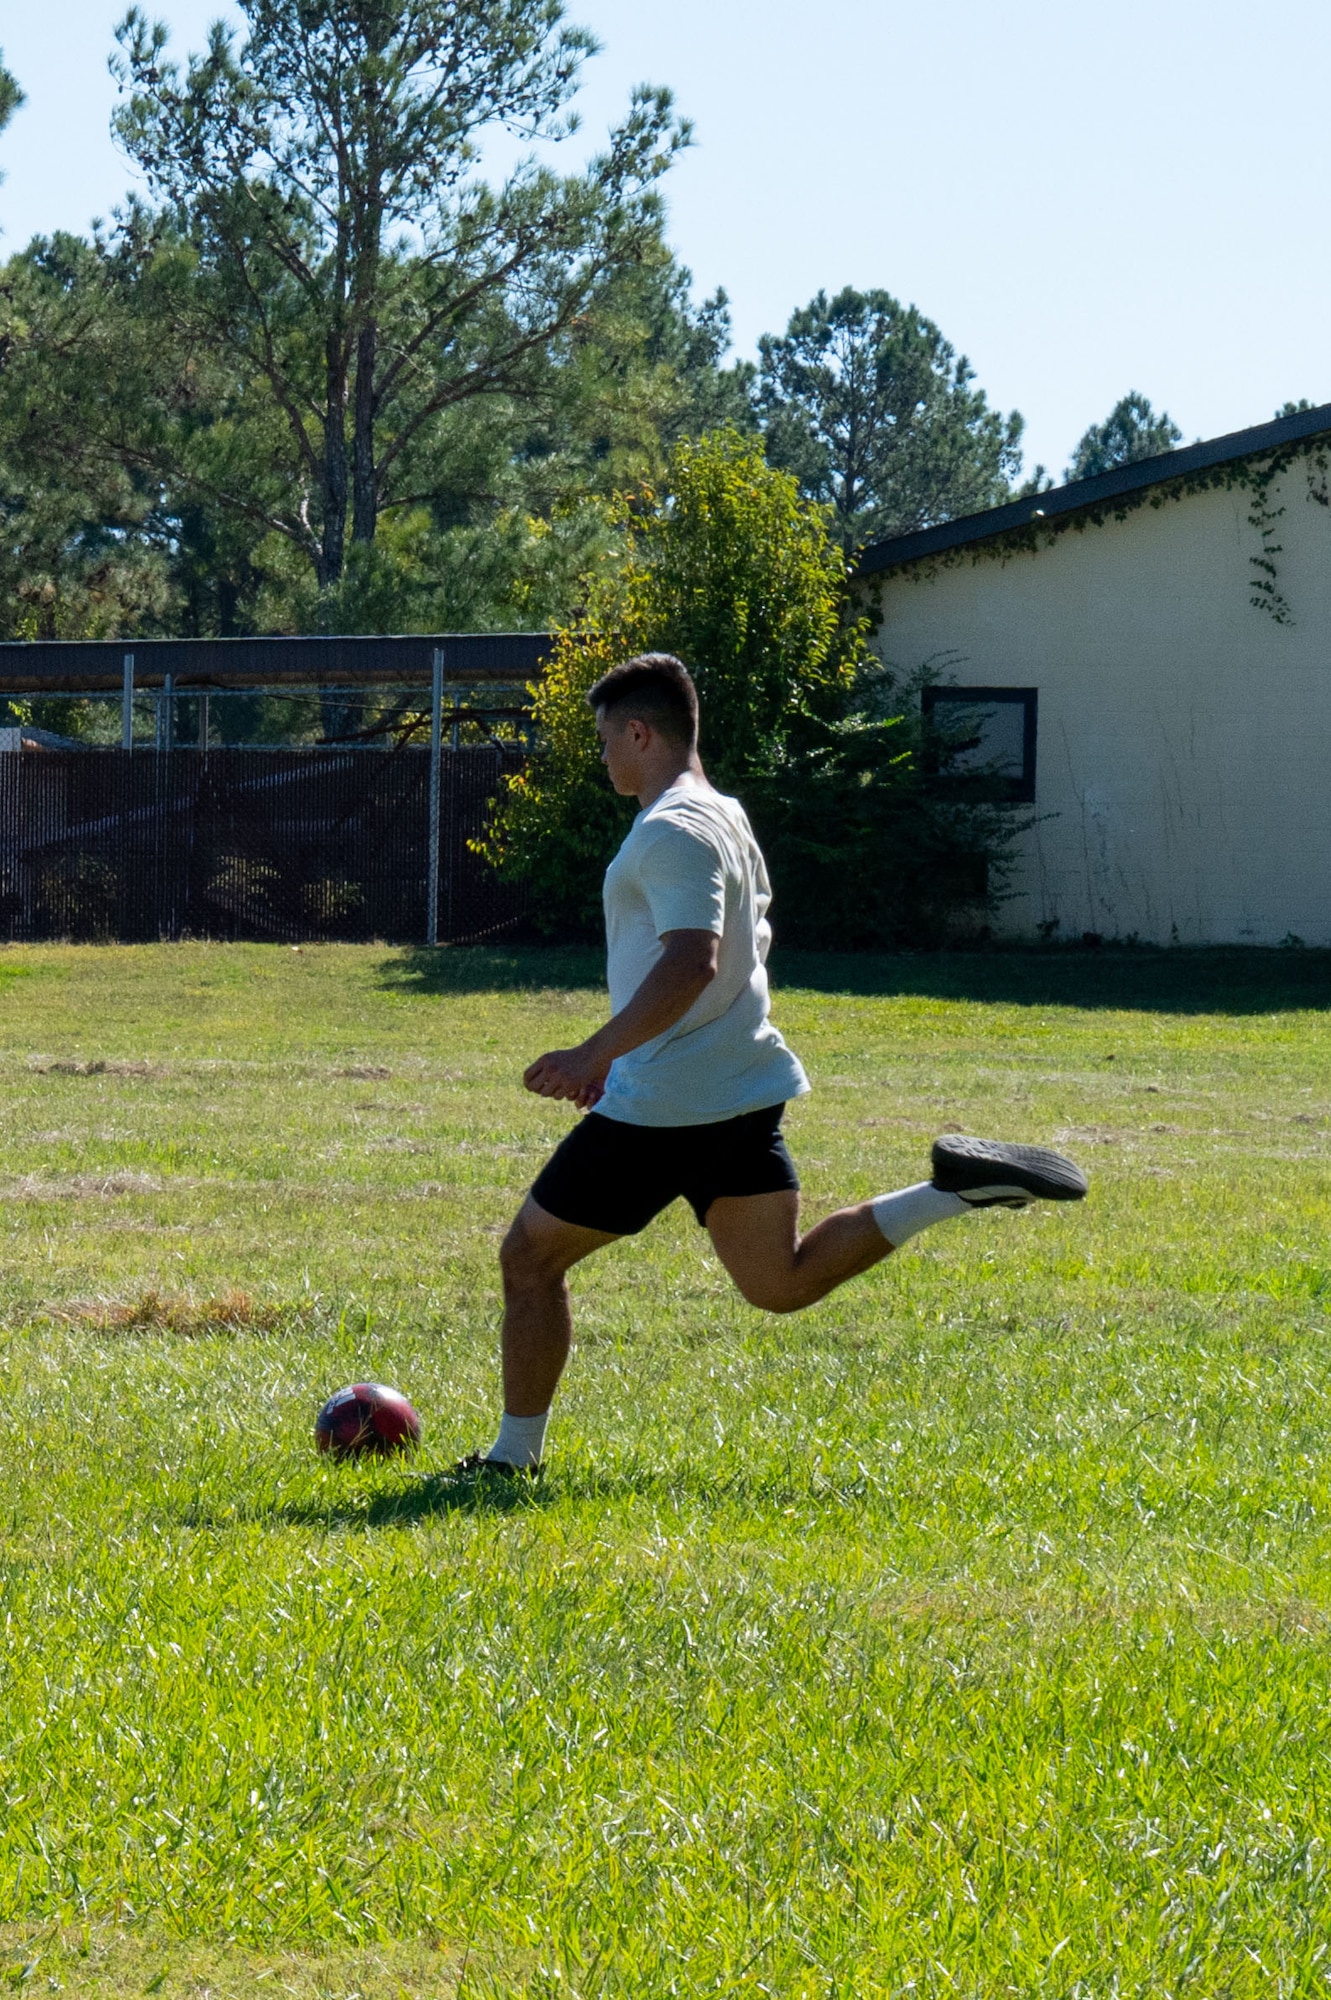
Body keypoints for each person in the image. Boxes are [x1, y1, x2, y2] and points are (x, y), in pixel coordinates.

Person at [454, 654, 1086, 1477]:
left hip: (668, 1106)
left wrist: (594, 1054)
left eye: (606, 739)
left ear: (639, 733)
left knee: (528, 1259)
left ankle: (511, 1460)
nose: (602, 756)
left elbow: (690, 961)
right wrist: (623, 1054)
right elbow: (722, 967)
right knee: (779, 1283)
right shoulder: (721, 812)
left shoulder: (671, 831)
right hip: (741, 1089)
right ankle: (951, 1188)